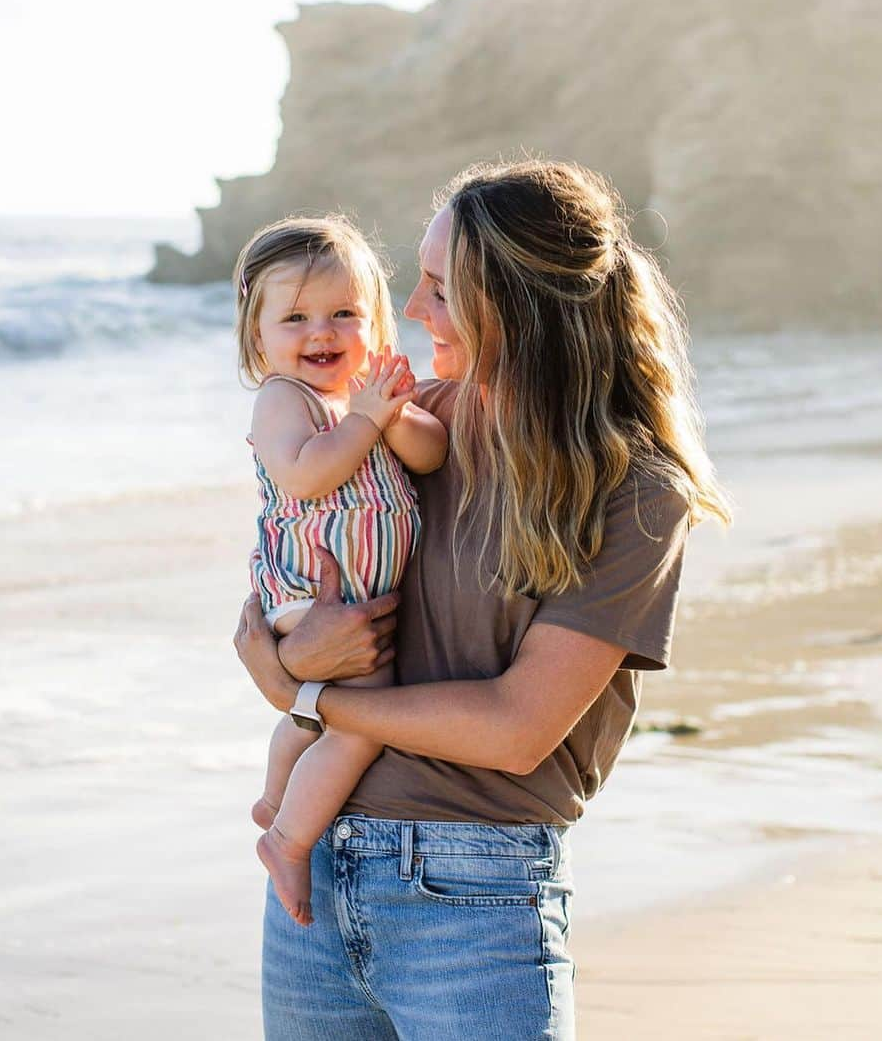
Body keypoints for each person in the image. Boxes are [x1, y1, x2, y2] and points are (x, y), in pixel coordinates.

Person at [235, 160, 731, 1041]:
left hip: (473, 895)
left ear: (520, 303)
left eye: (440, 289)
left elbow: (515, 727)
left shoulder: (633, 489)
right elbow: (272, 600)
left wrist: (308, 695)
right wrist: (288, 658)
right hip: (314, 880)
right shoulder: (400, 420)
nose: (414, 312)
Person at [234, 216, 448, 928]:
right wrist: (362, 423)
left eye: (343, 314)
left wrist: (394, 416)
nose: (320, 332)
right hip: (305, 590)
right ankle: (288, 838)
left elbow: (431, 456)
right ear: (257, 336)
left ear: (375, 323)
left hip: (356, 595)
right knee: (358, 722)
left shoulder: (365, 398)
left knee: (328, 709)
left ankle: (278, 798)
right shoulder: (283, 401)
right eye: (294, 318)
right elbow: (302, 476)